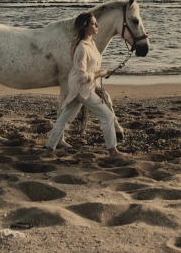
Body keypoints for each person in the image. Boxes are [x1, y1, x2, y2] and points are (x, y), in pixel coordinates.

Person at [44, 12, 129, 159]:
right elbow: (82, 76)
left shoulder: (91, 43)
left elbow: (87, 73)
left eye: (96, 23)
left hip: (82, 87)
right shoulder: (81, 49)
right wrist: (100, 74)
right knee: (107, 117)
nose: (97, 26)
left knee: (65, 118)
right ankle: (113, 152)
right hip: (81, 88)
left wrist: (96, 90)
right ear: (85, 27)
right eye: (94, 23)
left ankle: (49, 150)